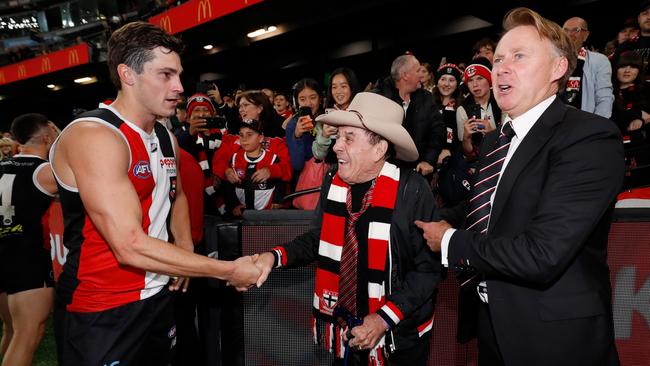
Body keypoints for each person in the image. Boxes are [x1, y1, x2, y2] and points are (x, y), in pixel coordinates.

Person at [416, 8, 623, 366]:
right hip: (493, 327)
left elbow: (542, 254)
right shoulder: (497, 141)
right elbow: (482, 209)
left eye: (519, 56)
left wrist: (449, 241)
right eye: (497, 59)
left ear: (558, 68)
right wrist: (416, 217)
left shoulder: (589, 137)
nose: (501, 68)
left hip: (555, 339)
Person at [50, 21, 260, 366]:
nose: (178, 86)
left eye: (178, 74)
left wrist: (182, 248)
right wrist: (225, 270)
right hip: (102, 307)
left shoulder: (165, 138)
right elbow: (129, 244)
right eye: (165, 75)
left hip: (158, 297)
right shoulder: (96, 135)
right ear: (127, 74)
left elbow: (174, 195)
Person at [253, 92, 441, 366]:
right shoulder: (333, 181)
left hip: (399, 337)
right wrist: (273, 257)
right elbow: (318, 239)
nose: (337, 146)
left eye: (348, 138)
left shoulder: (412, 190)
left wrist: (382, 319)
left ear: (379, 149)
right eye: (337, 136)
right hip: (344, 329)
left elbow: (428, 270)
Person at [0, 113, 59, 366]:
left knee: (12, 331)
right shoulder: (44, 171)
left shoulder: (3, 166)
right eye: (54, 129)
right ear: (46, 136)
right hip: (27, 257)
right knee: (28, 333)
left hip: (3, 252)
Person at [374, 54, 445, 175]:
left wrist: (428, 160)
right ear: (405, 75)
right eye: (418, 70)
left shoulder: (426, 98)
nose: (421, 75)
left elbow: (438, 131)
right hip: (385, 171)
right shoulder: (379, 98)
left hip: (418, 171)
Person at [213, 119, 292, 217]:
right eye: (241, 135)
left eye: (249, 134)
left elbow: (281, 181)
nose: (244, 139)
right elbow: (228, 185)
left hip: (267, 214)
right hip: (242, 215)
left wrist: (277, 201)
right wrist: (234, 205)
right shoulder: (234, 158)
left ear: (260, 138)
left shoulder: (272, 158)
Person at [562, 16, 614, 118]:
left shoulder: (599, 60)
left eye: (576, 30)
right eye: (565, 30)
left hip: (584, 122)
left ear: (585, 35)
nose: (569, 34)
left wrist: (596, 127)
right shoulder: (554, 59)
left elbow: (604, 98)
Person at [455, 57, 502, 159]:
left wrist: (491, 133)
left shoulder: (502, 101)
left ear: (489, 80)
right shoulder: (462, 110)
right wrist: (466, 138)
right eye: (470, 80)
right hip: (478, 163)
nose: (475, 85)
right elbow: (468, 155)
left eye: (480, 78)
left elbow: (512, 141)